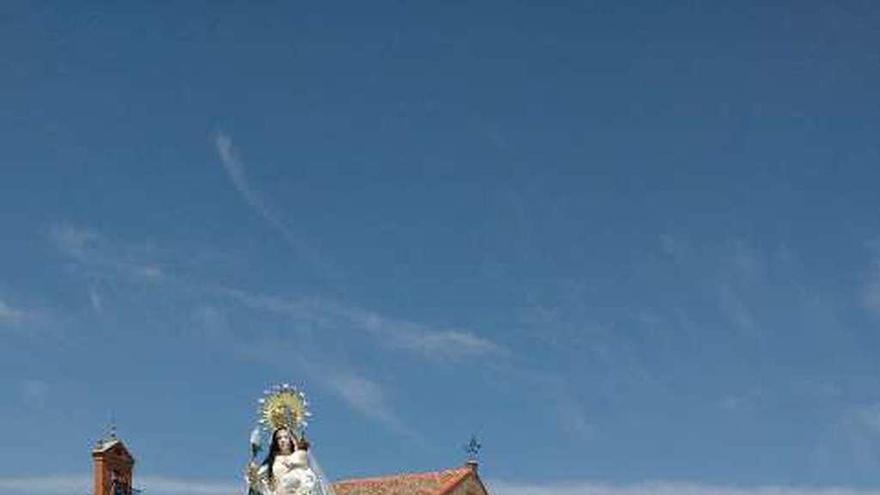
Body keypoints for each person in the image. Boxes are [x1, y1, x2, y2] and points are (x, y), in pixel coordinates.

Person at [247, 428, 318, 495]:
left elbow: (308, 479)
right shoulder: (271, 461)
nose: (282, 440)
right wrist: (253, 475)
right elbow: (260, 484)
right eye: (279, 438)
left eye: (286, 437)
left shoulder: (298, 458)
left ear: (291, 440)